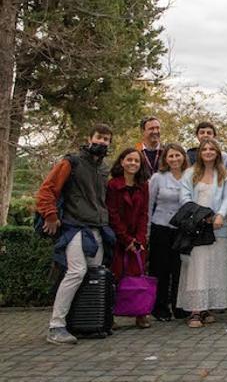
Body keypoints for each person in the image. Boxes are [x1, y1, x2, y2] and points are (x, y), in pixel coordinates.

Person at [38, 124, 115, 345]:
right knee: (76, 272)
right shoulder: (71, 162)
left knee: (93, 275)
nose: (102, 142)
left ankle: (84, 322)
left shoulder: (102, 169)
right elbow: (47, 189)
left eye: (107, 139)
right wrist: (51, 215)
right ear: (89, 138)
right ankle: (56, 325)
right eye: (99, 137)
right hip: (75, 227)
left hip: (97, 228)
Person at [177, 139, 227, 328]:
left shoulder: (223, 174)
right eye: (205, 149)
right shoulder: (190, 173)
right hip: (197, 227)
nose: (208, 152)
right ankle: (195, 310)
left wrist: (220, 215)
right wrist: (203, 217)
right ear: (200, 152)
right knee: (197, 268)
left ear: (218, 152)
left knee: (213, 267)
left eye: (212, 149)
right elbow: (184, 199)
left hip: (218, 227)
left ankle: (207, 307)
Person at [106, 148, 152, 328]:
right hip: (118, 238)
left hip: (137, 239)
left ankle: (140, 313)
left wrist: (139, 239)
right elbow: (113, 214)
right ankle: (110, 314)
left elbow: (143, 213)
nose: (133, 163)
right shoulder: (113, 185)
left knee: (138, 274)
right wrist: (126, 239)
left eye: (137, 161)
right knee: (115, 275)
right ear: (122, 162)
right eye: (129, 160)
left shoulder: (144, 185)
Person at [148, 143, 189, 321]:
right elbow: (148, 205)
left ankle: (179, 306)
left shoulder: (190, 177)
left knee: (180, 269)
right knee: (160, 270)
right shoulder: (158, 178)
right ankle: (160, 308)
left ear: (183, 157)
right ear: (165, 159)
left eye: (177, 155)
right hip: (160, 227)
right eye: (170, 156)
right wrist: (147, 230)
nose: (174, 159)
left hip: (182, 230)